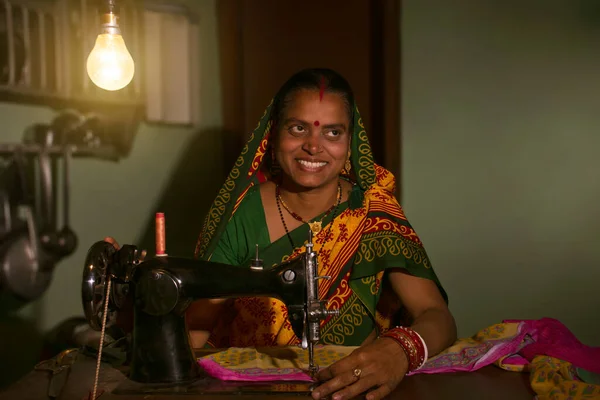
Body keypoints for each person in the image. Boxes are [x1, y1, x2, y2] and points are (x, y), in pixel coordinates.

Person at [184, 68, 457, 400]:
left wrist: (397, 352)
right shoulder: (241, 214)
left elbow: (437, 316)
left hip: (352, 389)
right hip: (254, 392)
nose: (313, 147)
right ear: (274, 135)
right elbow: (195, 330)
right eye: (298, 128)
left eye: (332, 132)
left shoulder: (374, 211)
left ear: (350, 142)